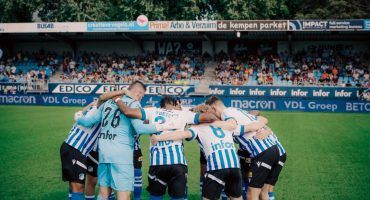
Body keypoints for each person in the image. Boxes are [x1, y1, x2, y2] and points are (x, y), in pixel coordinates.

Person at [76, 81, 178, 200]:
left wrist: (78, 117)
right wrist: (163, 126)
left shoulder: (108, 102)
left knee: (103, 193)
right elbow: (139, 128)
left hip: (104, 153)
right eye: (142, 95)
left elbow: (88, 122)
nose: (141, 97)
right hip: (121, 155)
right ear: (138, 92)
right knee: (124, 195)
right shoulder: (134, 104)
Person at [150, 105, 271, 200]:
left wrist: (158, 138)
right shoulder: (227, 126)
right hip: (234, 167)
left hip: (217, 167)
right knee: (236, 197)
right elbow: (251, 127)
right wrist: (267, 129)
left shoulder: (197, 128)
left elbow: (182, 134)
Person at [111, 95, 218, 200]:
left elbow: (128, 111)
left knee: (156, 196)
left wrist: (117, 99)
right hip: (178, 163)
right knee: (178, 197)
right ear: (175, 104)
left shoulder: (152, 111)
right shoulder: (182, 114)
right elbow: (211, 117)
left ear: (161, 105)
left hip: (157, 164)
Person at [205, 96, 283, 200]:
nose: (212, 116)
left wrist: (213, 123)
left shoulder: (226, 113)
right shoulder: (236, 110)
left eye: (211, 112)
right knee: (262, 192)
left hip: (263, 151)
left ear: (214, 108)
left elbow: (232, 126)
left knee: (252, 195)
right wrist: (265, 130)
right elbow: (261, 120)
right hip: (272, 149)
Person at [60, 89, 127, 200]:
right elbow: (101, 99)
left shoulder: (95, 107)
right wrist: (123, 92)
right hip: (75, 148)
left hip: (75, 148)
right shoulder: (101, 108)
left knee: (74, 186)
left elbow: (86, 109)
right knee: (78, 187)